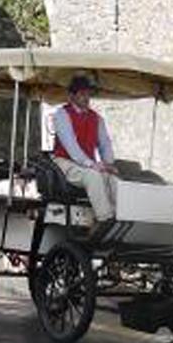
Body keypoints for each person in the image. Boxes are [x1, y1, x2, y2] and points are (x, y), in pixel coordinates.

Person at [51, 75, 118, 232]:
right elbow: (71, 147)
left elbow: (105, 143)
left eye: (88, 94)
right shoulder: (62, 115)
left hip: (86, 163)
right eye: (82, 94)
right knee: (93, 177)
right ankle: (105, 219)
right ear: (72, 96)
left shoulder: (97, 118)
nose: (86, 98)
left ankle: (119, 217)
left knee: (113, 180)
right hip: (65, 162)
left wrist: (109, 164)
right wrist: (93, 165)